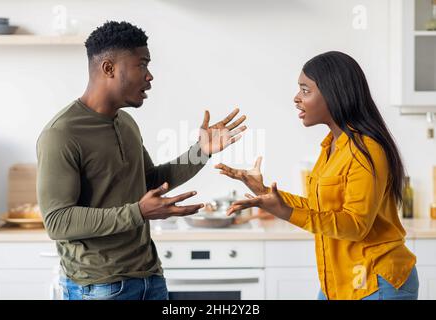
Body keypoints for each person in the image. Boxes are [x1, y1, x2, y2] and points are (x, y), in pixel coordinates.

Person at [36, 21, 247, 300]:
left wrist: (201, 151)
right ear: (108, 68)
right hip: (101, 287)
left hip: (149, 278)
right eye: (142, 64)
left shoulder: (125, 122)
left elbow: (149, 182)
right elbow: (58, 221)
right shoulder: (61, 134)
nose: (150, 77)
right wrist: (139, 212)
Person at [217, 51, 418, 300]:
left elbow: (356, 225)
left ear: (335, 93)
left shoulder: (367, 150)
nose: (296, 98)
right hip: (339, 282)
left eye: (305, 90)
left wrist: (285, 212)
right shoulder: (331, 146)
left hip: (376, 282)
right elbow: (319, 209)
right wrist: (265, 192)